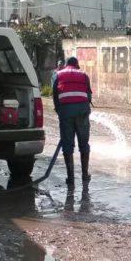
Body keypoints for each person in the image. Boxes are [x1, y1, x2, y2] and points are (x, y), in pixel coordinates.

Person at [53, 56, 92, 187]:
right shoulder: (84, 75)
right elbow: (89, 95)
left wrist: (61, 112)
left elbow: (55, 96)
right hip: (82, 112)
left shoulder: (58, 75)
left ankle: (70, 178)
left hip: (65, 113)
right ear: (77, 65)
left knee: (68, 146)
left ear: (65, 64)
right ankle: (85, 175)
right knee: (84, 144)